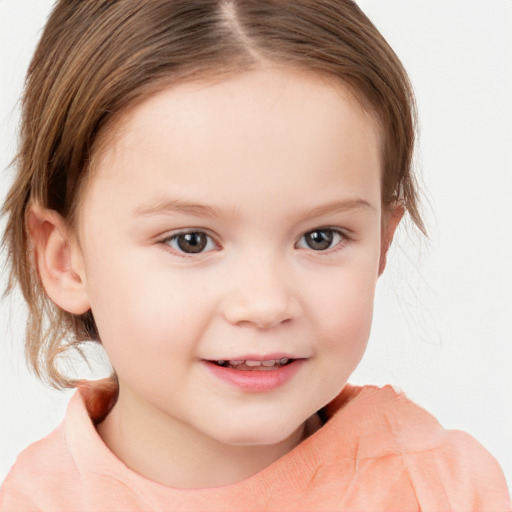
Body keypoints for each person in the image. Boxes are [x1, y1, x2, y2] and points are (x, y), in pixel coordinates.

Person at [0, 0, 509, 510]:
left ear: (381, 241)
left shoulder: (447, 492)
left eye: (320, 237)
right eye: (191, 241)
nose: (265, 304)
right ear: (65, 259)